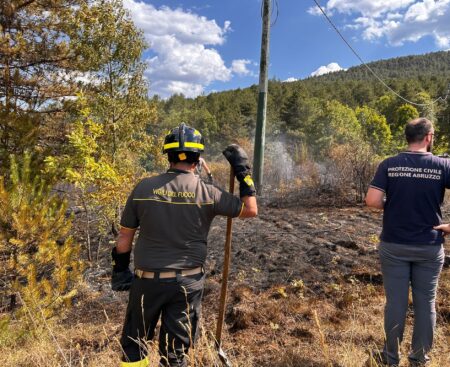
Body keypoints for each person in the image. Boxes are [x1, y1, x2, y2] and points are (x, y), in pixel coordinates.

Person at [111, 123, 258, 367]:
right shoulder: (208, 192)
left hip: (147, 282)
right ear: (198, 159)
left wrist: (120, 269)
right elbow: (250, 210)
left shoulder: (143, 188)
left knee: (133, 348)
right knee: (175, 355)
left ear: (167, 156)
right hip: (187, 284)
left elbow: (125, 237)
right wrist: (243, 172)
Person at [365, 117, 450, 366]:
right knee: (426, 303)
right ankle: (418, 359)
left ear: (407, 137)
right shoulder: (443, 165)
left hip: (394, 245)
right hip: (429, 245)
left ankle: (390, 358)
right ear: (429, 137)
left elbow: (371, 200)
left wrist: (391, 205)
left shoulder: (390, 164)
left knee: (396, 303)